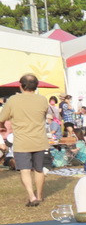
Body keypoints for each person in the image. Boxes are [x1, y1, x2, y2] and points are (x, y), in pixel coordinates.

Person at [0, 73, 50, 206]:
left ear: (21, 86)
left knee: (25, 170)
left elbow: (1, 118)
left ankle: (32, 196)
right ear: (36, 86)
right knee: (39, 169)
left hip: (22, 141)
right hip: (39, 140)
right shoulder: (42, 100)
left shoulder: (13, 100)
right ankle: (39, 195)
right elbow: (44, 115)